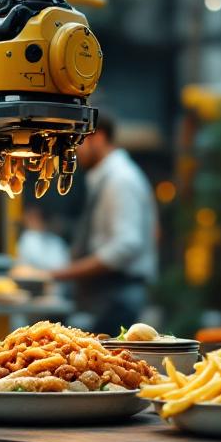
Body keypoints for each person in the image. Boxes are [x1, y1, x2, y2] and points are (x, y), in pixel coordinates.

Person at [49, 115, 157, 335]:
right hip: (107, 294)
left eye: (75, 142)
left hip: (117, 295)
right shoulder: (109, 177)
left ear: (98, 138)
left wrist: (66, 272)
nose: (72, 151)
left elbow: (126, 246)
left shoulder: (121, 179)